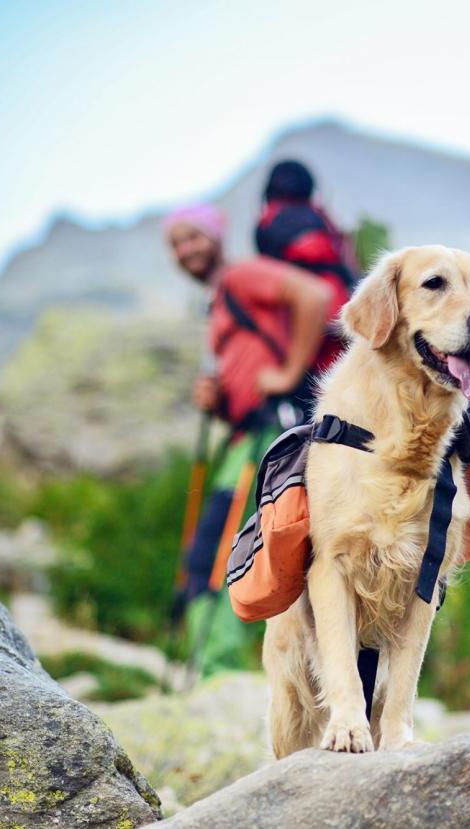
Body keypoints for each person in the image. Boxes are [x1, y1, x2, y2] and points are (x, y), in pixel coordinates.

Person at [164, 202, 332, 677]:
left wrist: (287, 372)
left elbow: (313, 296)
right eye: (176, 243)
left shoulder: (241, 278)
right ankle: (219, 667)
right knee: (218, 552)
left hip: (264, 437)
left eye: (193, 237)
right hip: (243, 433)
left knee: (218, 556)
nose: (185, 250)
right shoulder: (219, 301)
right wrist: (217, 400)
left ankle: (216, 674)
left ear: (217, 237)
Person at [256, 159, 358, 377]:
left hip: (301, 320)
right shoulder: (325, 220)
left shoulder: (267, 221)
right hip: (341, 315)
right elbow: (348, 269)